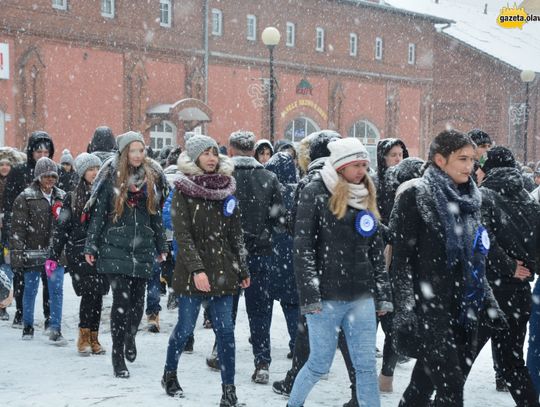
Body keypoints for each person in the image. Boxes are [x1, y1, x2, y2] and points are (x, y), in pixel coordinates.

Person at [391, 130, 506, 407]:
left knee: (421, 386)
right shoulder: (415, 194)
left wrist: (490, 303)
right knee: (452, 391)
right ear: (440, 160)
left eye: (472, 159)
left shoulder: (471, 198)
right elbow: (401, 262)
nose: (470, 166)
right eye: (462, 159)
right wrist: (405, 312)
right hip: (429, 309)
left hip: (464, 309)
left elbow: (475, 259)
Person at [287, 137, 393, 407]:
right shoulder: (315, 191)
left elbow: (375, 252)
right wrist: (310, 296)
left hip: (362, 297)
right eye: (356, 165)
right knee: (319, 364)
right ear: (341, 166)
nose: (362, 171)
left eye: (364, 165)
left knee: (366, 367)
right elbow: (303, 248)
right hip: (326, 298)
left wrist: (382, 294)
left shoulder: (366, 193)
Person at [162, 135, 250, 406]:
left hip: (224, 270)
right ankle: (170, 373)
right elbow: (183, 235)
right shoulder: (183, 191)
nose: (212, 158)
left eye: (215, 153)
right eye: (206, 153)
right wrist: (197, 270)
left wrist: (243, 267)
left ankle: (229, 389)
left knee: (225, 331)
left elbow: (236, 234)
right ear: (195, 157)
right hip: (192, 273)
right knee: (186, 327)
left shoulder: (227, 189)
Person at [83, 131, 168, 378]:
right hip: (114, 248)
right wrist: (91, 246)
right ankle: (117, 356)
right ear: (124, 153)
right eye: (133, 150)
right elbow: (98, 217)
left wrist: (161, 245)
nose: (139, 155)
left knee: (138, 304)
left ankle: (130, 335)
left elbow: (155, 217)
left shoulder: (151, 179)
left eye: (141, 150)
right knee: (121, 302)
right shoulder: (111, 179)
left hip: (142, 249)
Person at [463, 146, 540, 406]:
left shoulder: (484, 196)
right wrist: (525, 266)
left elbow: (482, 239)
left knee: (461, 358)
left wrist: (508, 266)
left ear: (489, 169)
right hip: (519, 294)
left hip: (488, 291)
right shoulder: (530, 200)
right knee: (512, 364)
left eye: (480, 167)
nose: (477, 172)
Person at [228, 130, 283, 384]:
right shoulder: (269, 177)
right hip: (260, 251)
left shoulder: (224, 177)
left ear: (231, 149)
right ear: (253, 149)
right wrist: (263, 232)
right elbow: (279, 219)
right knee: (260, 310)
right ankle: (262, 361)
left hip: (227, 252)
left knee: (225, 307)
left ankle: (222, 351)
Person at [49, 152, 109, 356]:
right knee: (88, 294)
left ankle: (94, 336)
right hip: (79, 251)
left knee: (99, 294)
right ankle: (83, 337)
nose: (94, 173)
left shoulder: (105, 193)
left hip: (102, 251)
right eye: (90, 169)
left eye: (96, 169)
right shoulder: (73, 197)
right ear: (82, 172)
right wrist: (53, 255)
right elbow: (61, 229)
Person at [9, 157, 66, 344]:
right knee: (30, 290)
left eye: (53, 176)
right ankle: (28, 325)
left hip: (54, 253)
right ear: (38, 177)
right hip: (32, 252)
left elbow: (66, 227)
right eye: (46, 176)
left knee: (56, 290)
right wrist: (17, 256)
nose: (50, 179)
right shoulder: (25, 197)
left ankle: (56, 328)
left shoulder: (63, 197)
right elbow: (18, 230)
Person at [2, 131, 55, 328]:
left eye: (46, 151)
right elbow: (9, 204)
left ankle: (49, 315)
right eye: (38, 151)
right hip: (24, 233)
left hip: (47, 233)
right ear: (31, 152)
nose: (42, 154)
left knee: (48, 278)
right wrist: (10, 230)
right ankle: (21, 312)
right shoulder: (19, 172)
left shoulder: (53, 172)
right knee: (21, 277)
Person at [265, 152, 299, 359]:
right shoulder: (299, 192)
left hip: (270, 255)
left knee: (264, 306)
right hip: (291, 259)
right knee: (292, 305)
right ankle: (297, 345)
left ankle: (262, 347)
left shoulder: (269, 192)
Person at [0, 147, 26, 321]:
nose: (4, 167)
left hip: (10, 230)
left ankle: (4, 304)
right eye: (1, 164)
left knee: (8, 266)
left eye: (7, 164)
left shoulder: (17, 182)